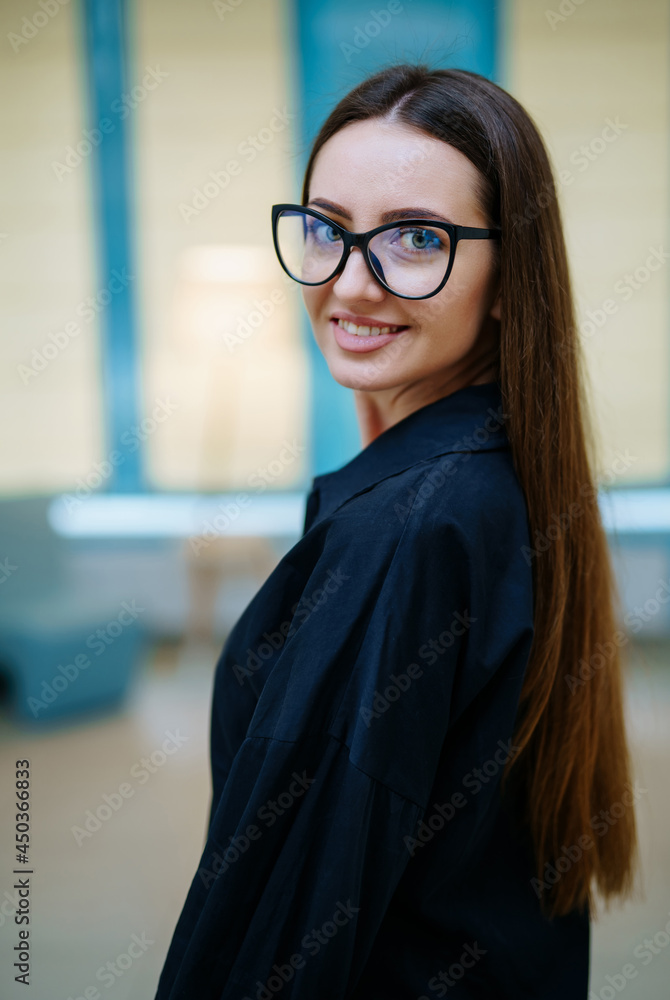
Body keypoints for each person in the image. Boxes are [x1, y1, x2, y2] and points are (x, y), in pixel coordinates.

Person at [153, 63, 638, 999]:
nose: (350, 283)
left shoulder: (409, 533)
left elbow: (283, 926)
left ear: (509, 279)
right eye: (327, 229)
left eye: (416, 239)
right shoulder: (497, 476)